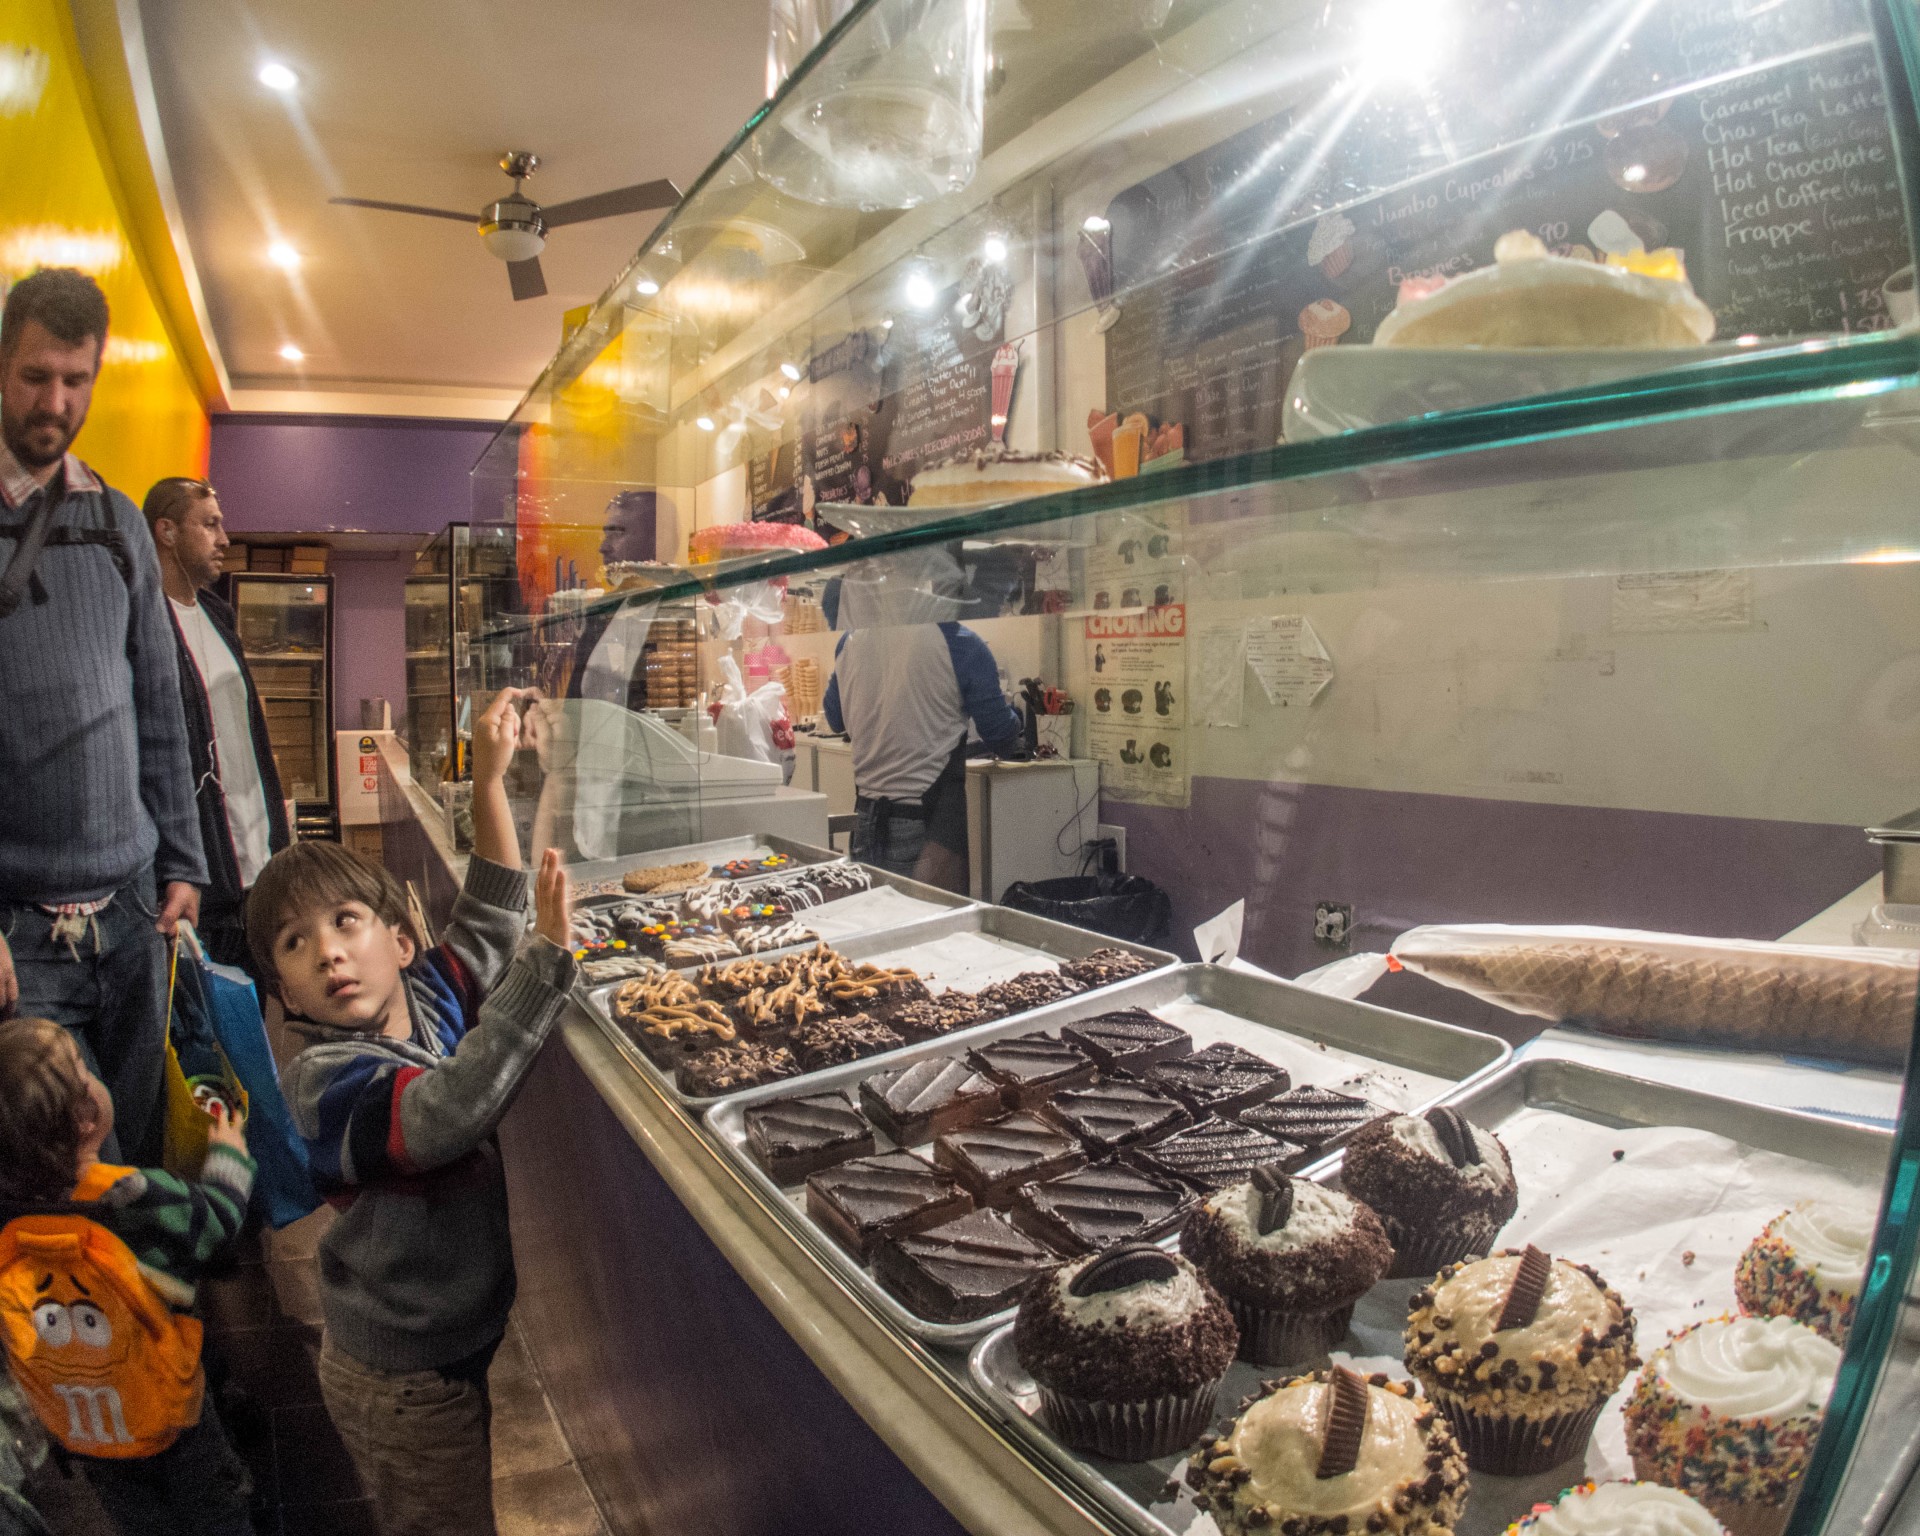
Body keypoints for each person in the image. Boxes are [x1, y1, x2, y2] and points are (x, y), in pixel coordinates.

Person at [253, 689, 573, 1536]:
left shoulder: (431, 991)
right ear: (283, 990)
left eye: (344, 922)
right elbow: (443, 1113)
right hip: (397, 1378)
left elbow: (492, 913)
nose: (326, 949)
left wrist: (491, 782)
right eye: (295, 943)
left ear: (398, 941)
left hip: (452, 1343)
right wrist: (543, 970)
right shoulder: (326, 1083)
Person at [0, 267, 207, 1167]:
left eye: (76, 380)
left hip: (131, 912)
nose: (56, 400)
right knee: (56, 1161)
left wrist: (184, 861)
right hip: (18, 929)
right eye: (37, 375)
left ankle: (145, 1303)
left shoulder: (121, 522)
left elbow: (159, 705)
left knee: (141, 1142)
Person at [0, 1016, 256, 1536]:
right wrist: (229, 1155)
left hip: (83, 1424)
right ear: (87, 1117)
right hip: (168, 1413)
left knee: (140, 1518)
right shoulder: (129, 1197)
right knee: (215, 1508)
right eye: (82, 1068)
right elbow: (218, 1223)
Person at [143, 478, 290, 970]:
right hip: (201, 879)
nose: (225, 539)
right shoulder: (142, 624)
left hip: (259, 862)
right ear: (166, 531)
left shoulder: (217, 613)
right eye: (209, 525)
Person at [823, 609, 1023, 893]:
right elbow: (1000, 732)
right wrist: (1016, 716)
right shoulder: (960, 643)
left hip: (865, 822)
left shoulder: (850, 640)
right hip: (929, 828)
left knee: (874, 924)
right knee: (933, 931)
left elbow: (835, 718)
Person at [567, 488, 670, 709]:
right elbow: (575, 703)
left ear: (656, 540)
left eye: (618, 533)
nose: (603, 547)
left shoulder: (675, 612)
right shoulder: (602, 612)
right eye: (607, 534)